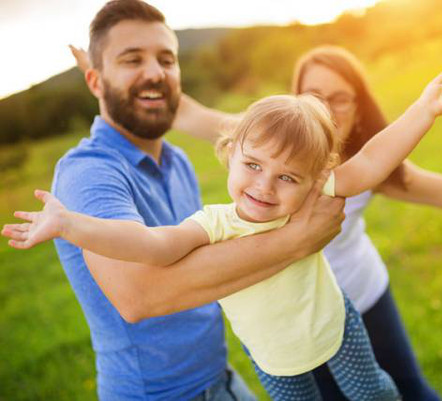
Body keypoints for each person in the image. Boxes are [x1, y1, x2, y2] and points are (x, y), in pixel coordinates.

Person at [153, 45, 442, 400]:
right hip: (283, 329)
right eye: (313, 95)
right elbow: (187, 112)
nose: (324, 106)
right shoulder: (266, 140)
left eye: (339, 97)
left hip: (359, 302)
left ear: (360, 106)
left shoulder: (358, 170)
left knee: (406, 393)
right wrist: (114, 66)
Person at [3, 68, 442, 399]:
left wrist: (424, 110)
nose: (265, 186)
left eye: (287, 176)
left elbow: (370, 160)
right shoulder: (214, 223)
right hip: (273, 358)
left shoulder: (311, 194)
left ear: (312, 178)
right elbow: (151, 246)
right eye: (253, 165)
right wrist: (70, 224)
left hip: (335, 325)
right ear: (229, 153)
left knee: (372, 395)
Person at [9, 1, 347, 400]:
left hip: (218, 376)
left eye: (166, 60)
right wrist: (295, 241)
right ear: (96, 82)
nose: (155, 72)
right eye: (131, 60)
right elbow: (139, 295)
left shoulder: (177, 160)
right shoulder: (88, 171)